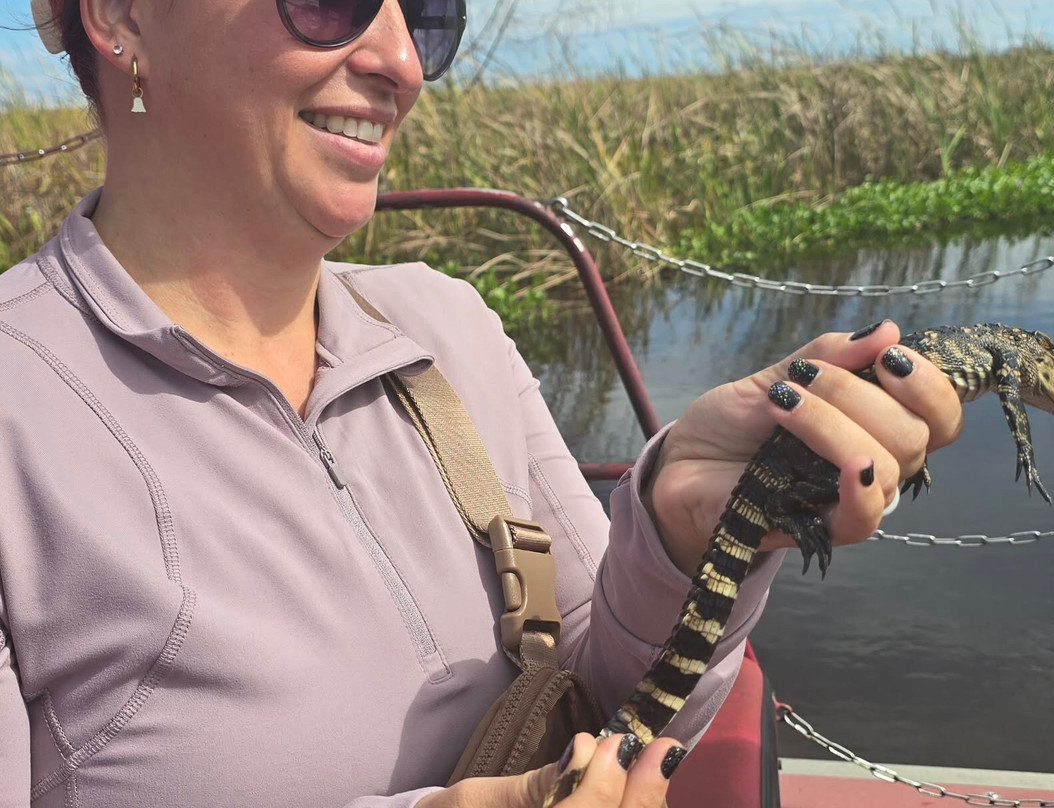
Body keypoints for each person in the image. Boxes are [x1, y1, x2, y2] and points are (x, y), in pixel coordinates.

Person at [0, 0, 964, 805]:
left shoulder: (447, 327)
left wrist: (678, 531)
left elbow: (608, 701)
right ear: (121, 15)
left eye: (427, 14)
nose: (400, 62)